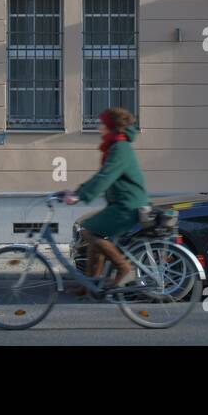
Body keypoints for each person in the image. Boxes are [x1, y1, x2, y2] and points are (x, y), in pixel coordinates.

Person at [63, 107, 147, 292]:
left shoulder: (120, 147)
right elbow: (100, 176)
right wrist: (78, 191)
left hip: (127, 205)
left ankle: (123, 267)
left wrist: (80, 196)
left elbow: (106, 177)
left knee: (88, 231)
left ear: (111, 126)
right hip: (122, 203)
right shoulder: (116, 145)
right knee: (95, 233)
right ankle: (91, 284)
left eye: (103, 124)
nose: (100, 127)